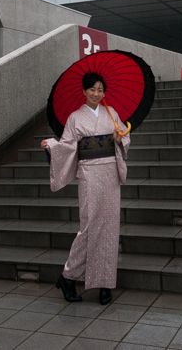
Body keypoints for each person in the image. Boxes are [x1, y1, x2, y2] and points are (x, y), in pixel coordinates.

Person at [41, 71, 130, 305]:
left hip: (110, 173)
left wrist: (119, 139)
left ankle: (105, 283)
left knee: (110, 227)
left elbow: (124, 136)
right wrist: (51, 145)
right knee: (89, 226)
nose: (96, 94)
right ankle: (68, 276)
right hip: (90, 174)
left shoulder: (112, 113)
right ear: (84, 91)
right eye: (92, 89)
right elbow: (67, 146)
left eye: (100, 90)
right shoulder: (75, 118)